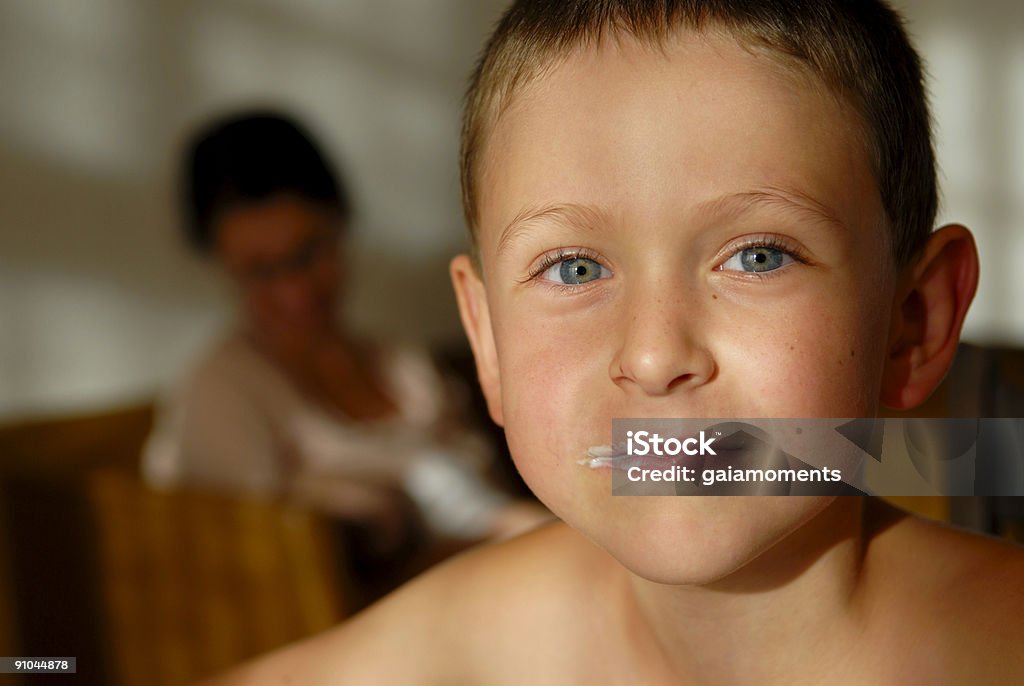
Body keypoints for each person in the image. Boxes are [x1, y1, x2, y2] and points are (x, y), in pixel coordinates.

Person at [202, 2, 1024, 684]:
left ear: (914, 321)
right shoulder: (483, 636)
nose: (656, 355)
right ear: (486, 344)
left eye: (759, 255)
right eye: (574, 268)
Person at [143, 111, 547, 551]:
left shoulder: (403, 364)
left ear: (340, 224)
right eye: (259, 272)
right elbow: (258, 573)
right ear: (220, 265)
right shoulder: (222, 396)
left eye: (309, 254)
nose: (294, 292)